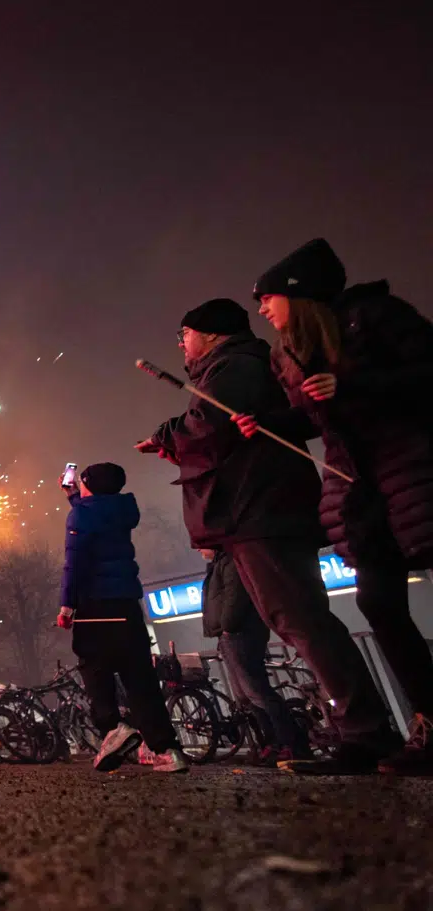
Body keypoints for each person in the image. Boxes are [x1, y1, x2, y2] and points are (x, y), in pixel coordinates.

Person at [138, 296, 399, 776]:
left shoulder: (233, 366)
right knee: (299, 621)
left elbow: (208, 425)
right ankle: (362, 730)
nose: (181, 344)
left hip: (260, 512)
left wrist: (170, 433)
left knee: (302, 620)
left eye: (186, 333)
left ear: (212, 333)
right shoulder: (237, 366)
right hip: (258, 511)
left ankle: (365, 733)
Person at [241, 238, 433, 774]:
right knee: (380, 602)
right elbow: (317, 419)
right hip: (361, 490)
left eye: (268, 297)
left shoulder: (372, 318)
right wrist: (269, 424)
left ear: (298, 294)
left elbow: (424, 374)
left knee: (383, 601)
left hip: (412, 470)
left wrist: (351, 381)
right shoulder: (288, 353)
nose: (262, 309)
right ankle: (428, 722)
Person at [56, 462, 188, 772]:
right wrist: (75, 498)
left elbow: (73, 564)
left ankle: (113, 727)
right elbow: (96, 514)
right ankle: (167, 750)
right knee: (140, 676)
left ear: (88, 483)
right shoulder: (122, 510)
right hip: (127, 604)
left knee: (93, 666)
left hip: (94, 605)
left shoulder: (82, 515)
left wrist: (66, 607)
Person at [200, 548, 310, 764]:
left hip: (240, 632)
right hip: (231, 634)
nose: (198, 549)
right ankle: (273, 743)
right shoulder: (221, 563)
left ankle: (292, 743)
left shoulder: (230, 560)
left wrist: (227, 627)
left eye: (201, 545)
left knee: (257, 692)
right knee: (247, 696)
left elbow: (235, 595)